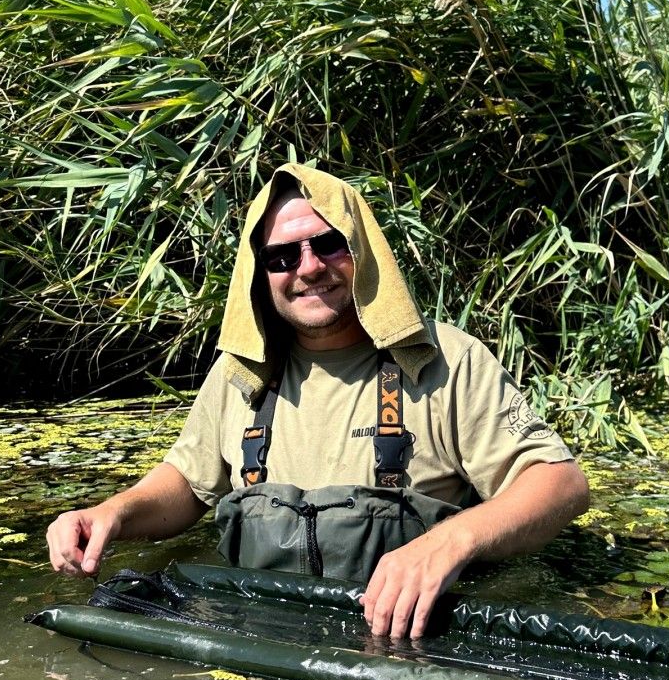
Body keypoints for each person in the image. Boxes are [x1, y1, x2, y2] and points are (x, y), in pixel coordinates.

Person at [47, 165, 589, 638]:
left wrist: (451, 541)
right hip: (259, 642)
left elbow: (559, 483)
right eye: (282, 255)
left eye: (327, 244)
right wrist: (108, 514)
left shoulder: (446, 359)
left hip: (407, 651)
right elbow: (188, 485)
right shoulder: (241, 373)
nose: (307, 268)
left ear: (362, 249)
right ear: (261, 275)